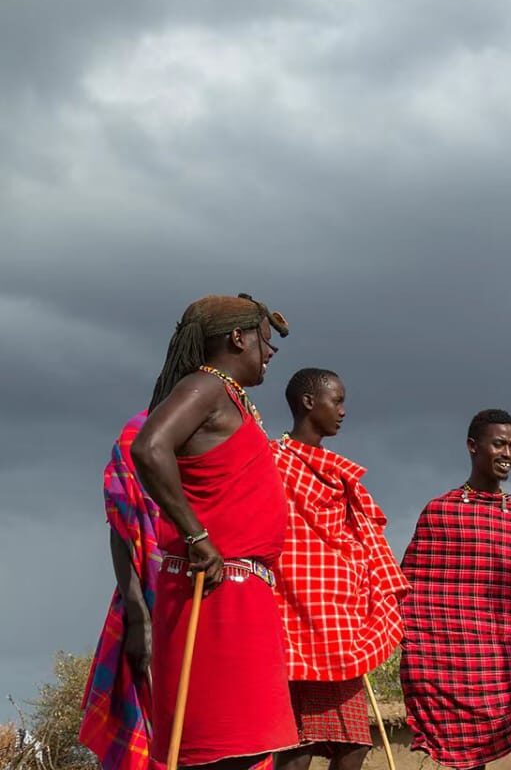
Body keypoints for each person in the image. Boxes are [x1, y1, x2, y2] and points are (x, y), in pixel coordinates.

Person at [131, 293, 296, 769]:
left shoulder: (229, 397)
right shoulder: (204, 387)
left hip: (241, 591)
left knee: (246, 748)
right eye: (265, 341)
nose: (270, 353)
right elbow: (149, 447)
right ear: (236, 338)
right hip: (212, 590)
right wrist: (197, 535)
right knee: (218, 750)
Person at [272, 369, 409, 770]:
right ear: (308, 402)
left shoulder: (340, 475)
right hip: (292, 622)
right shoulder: (272, 461)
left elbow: (356, 540)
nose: (343, 411)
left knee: (354, 745)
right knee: (297, 749)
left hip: (337, 622)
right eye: (337, 400)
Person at [399, 409, 511, 770]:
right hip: (454, 661)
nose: (508, 453)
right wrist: (419, 654)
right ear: (472, 446)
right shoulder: (440, 512)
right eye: (498, 444)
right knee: (467, 756)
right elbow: (414, 586)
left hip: (507, 655)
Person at [79, 410, 164, 770]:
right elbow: (122, 526)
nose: (269, 351)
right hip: (152, 599)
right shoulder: (143, 433)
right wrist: (138, 617)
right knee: (152, 731)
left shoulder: (238, 427)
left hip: (221, 602)